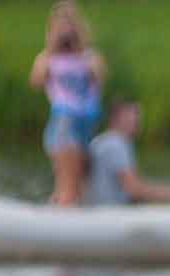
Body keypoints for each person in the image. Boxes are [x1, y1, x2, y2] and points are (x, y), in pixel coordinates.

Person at [29, 2, 106, 206]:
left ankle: (66, 212)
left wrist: (81, 45)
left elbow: (101, 78)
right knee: (67, 182)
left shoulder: (90, 57)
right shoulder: (48, 58)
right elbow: (36, 81)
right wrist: (52, 47)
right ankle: (62, 210)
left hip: (86, 123)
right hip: (64, 122)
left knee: (78, 180)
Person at [86, 101, 170, 206]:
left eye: (138, 115)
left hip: (98, 209)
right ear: (117, 118)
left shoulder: (100, 141)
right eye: (132, 115)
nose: (138, 119)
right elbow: (134, 189)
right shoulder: (117, 143)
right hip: (112, 213)